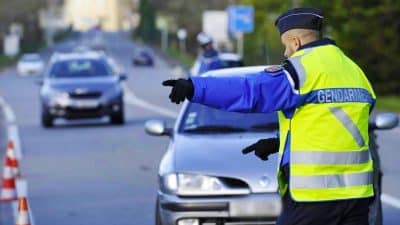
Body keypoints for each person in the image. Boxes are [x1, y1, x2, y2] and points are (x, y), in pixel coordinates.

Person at [162, 7, 376, 225]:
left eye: (286, 46)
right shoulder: (354, 71)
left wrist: (195, 87)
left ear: (296, 43)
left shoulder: (302, 70)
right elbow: (334, 122)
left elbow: (250, 91)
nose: (285, 53)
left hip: (314, 198)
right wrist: (280, 144)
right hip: (357, 197)